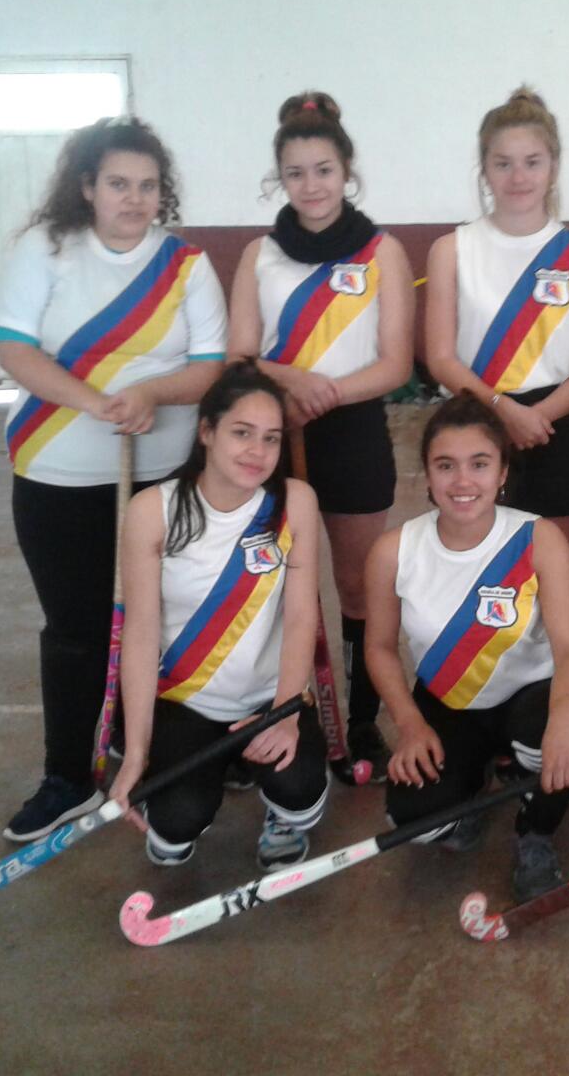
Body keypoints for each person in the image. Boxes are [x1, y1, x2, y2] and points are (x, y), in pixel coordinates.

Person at [0, 117, 227, 842]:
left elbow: (209, 367)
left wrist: (152, 393)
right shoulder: (46, 249)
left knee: (157, 620)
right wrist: (97, 404)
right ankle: (67, 775)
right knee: (76, 629)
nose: (134, 199)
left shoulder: (186, 265)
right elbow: (14, 349)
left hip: (161, 478)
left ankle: (139, 746)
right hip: (55, 472)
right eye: (118, 183)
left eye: (148, 186)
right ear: (87, 186)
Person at [228, 92, 413, 781]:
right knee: (267, 584)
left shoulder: (383, 252)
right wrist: (291, 382)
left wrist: (323, 393)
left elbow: (395, 364)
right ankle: (269, 718)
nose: (311, 185)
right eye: (296, 172)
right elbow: (241, 355)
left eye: (324, 170)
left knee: (359, 589)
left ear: (347, 171)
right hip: (271, 436)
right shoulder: (259, 255)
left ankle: (359, 723)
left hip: (353, 433)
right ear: (279, 177)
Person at [363, 392, 569, 902]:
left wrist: (563, 723)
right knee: (415, 819)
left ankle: (535, 833)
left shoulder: (538, 538)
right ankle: (480, 775)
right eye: (446, 465)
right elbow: (378, 647)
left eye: (479, 464)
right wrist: (409, 724)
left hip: (531, 698)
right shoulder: (394, 550)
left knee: (545, 744)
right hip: (448, 702)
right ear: (427, 473)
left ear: (503, 472)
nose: (462, 481)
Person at [107, 362, 328, 868]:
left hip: (267, 697)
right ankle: (191, 785)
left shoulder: (295, 502)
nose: (258, 451)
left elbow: (301, 618)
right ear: (206, 431)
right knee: (175, 824)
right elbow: (139, 636)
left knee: (297, 786)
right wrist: (136, 755)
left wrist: (287, 716)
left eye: (271, 438)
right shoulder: (153, 510)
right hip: (187, 700)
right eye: (242, 433)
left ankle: (280, 813)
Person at [424, 86, 569, 552]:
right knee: (469, 566)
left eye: (532, 162)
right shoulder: (451, 250)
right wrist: (504, 411)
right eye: (503, 163)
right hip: (473, 420)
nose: (518, 176)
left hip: (551, 425)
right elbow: (440, 357)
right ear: (484, 169)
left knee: (552, 573)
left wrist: (537, 417)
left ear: (554, 166)